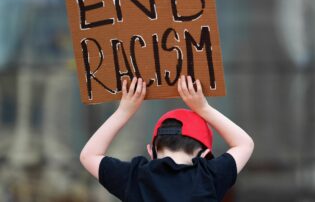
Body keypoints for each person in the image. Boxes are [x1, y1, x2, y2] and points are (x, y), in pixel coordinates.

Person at [80, 75, 254, 201]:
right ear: (204, 154)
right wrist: (203, 108)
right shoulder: (208, 177)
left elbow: (89, 155)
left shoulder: (135, 178)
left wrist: (124, 111)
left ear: (151, 151)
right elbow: (244, 144)